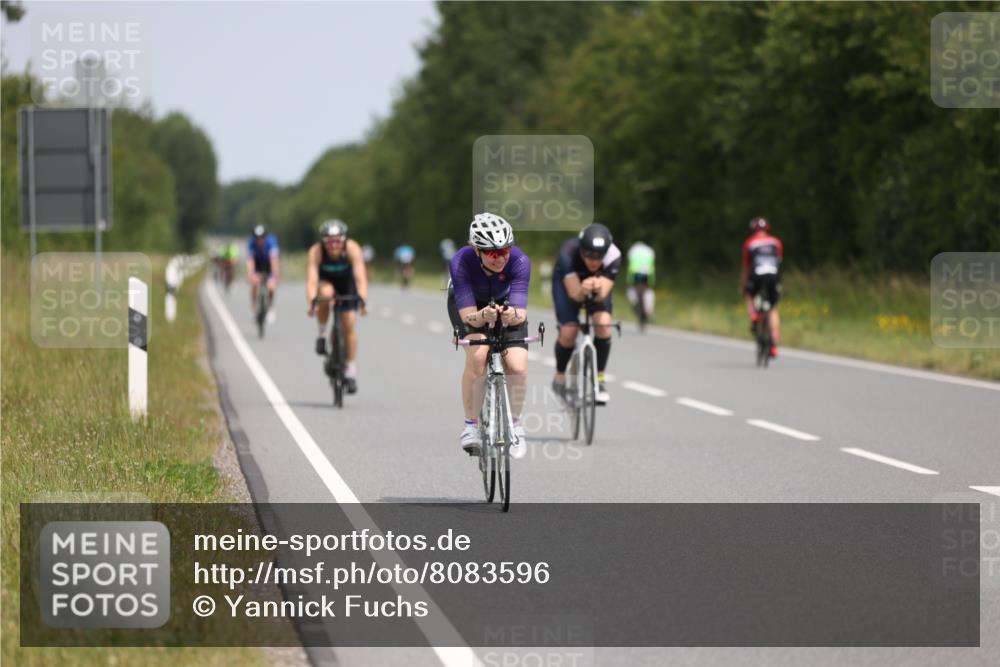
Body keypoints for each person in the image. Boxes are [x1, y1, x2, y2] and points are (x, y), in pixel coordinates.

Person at [448, 213, 531, 459]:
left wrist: (510, 315)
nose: (500, 258)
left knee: (517, 365)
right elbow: (468, 317)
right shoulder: (461, 261)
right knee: (479, 354)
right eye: (493, 253)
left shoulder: (520, 261)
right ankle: (471, 425)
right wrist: (483, 316)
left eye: (504, 250)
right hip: (471, 306)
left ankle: (516, 424)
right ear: (476, 250)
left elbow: (521, 312)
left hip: (505, 303)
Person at [551, 223, 621, 405]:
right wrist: (583, 290)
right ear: (581, 248)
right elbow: (574, 296)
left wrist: (597, 289)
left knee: (604, 325)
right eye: (588, 254)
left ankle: (599, 379)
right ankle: (559, 376)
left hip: (596, 285)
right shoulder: (568, 251)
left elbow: (602, 295)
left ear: (606, 252)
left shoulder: (614, 255)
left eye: (599, 256)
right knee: (569, 331)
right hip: (568, 284)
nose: (593, 260)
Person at [306, 219, 369, 394]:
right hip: (327, 282)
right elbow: (311, 281)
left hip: (347, 284)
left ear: (344, 240)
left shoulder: (352, 249)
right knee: (325, 295)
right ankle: (322, 333)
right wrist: (312, 302)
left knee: (349, 326)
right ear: (323, 242)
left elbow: (361, 278)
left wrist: (362, 300)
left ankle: (350, 370)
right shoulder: (316, 252)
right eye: (329, 242)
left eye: (337, 241)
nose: (334, 246)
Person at [740, 216, 783, 358]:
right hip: (773, 275)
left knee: (749, 294)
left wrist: (743, 286)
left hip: (757, 275)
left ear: (754, 229)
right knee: (773, 308)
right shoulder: (776, 242)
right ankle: (774, 342)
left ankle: (753, 315)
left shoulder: (750, 243)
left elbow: (746, 268)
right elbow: (778, 263)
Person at [246, 225, 279, 322]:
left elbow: (274, 260)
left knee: (271, 287)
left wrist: (274, 276)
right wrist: (250, 274)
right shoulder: (251, 243)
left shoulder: (271, 242)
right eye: (257, 238)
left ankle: (270, 308)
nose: (259, 240)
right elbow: (250, 261)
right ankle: (253, 308)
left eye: (262, 237)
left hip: (268, 264)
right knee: (255, 284)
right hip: (257, 264)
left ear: (265, 237)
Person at [626, 241, 656, 324]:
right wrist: (651, 283)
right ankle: (648, 311)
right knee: (648, 292)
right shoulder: (649, 252)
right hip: (647, 273)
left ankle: (636, 304)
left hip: (635, 273)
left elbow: (630, 272)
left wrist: (629, 282)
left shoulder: (633, 251)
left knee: (632, 290)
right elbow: (652, 272)